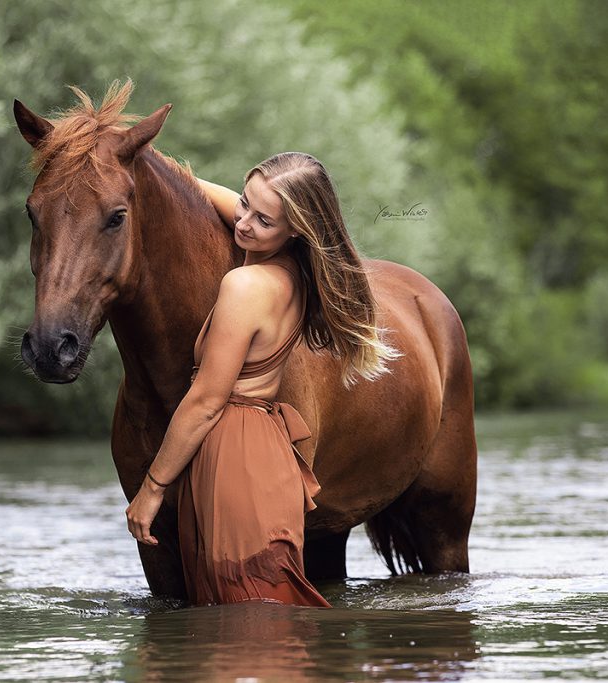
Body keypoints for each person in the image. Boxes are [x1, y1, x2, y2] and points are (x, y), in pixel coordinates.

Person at [124, 152, 401, 607]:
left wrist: (152, 490)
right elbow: (224, 200)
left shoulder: (245, 286)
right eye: (245, 203)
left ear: (296, 229)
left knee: (247, 617)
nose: (244, 222)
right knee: (262, 617)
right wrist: (140, 156)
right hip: (265, 451)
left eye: (262, 219)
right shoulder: (294, 270)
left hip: (235, 457)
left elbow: (204, 402)